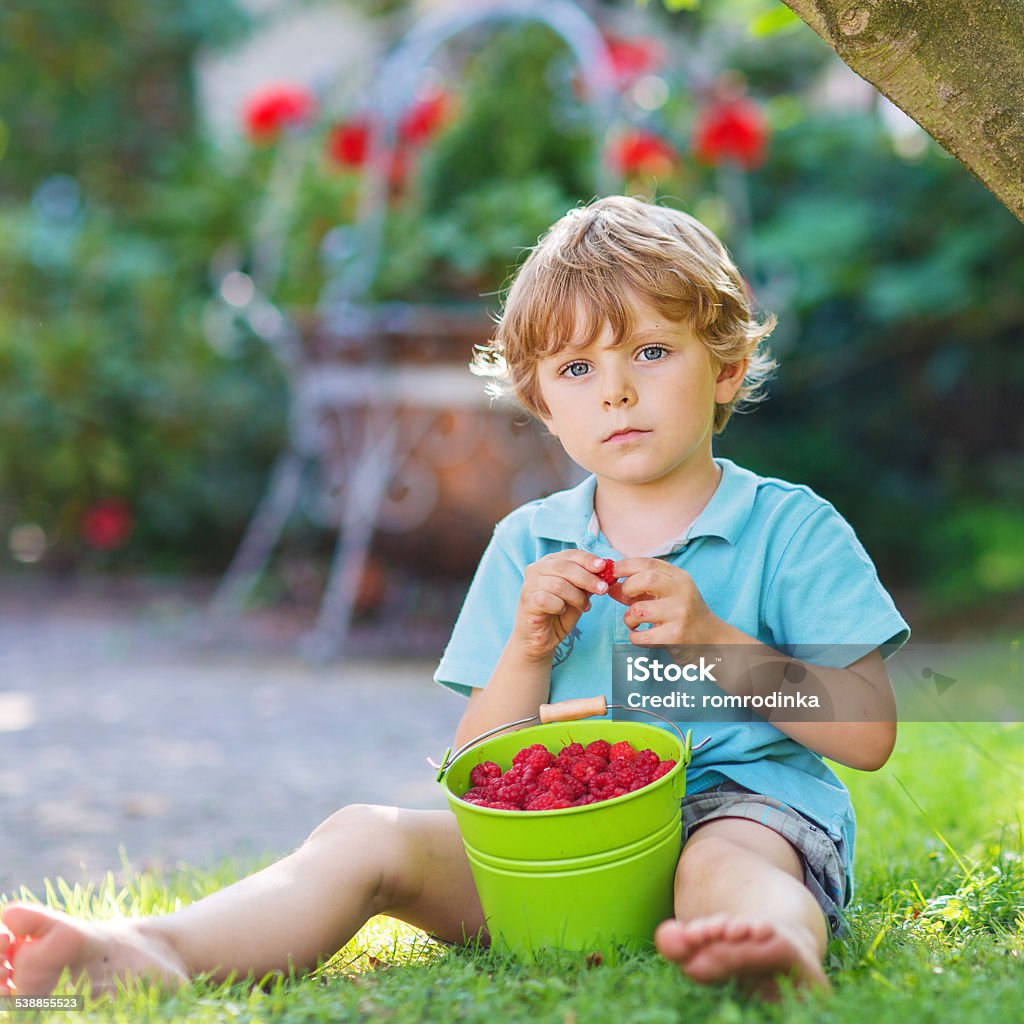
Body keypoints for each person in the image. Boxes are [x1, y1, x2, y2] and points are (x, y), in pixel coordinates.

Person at [0, 196, 909, 1001]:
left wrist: (716, 640)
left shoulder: (790, 530)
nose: (618, 389)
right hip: (559, 847)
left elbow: (867, 732)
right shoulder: (528, 546)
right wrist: (524, 651)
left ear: (723, 369)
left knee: (726, 859)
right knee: (364, 834)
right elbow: (478, 772)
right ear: (542, 404)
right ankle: (150, 950)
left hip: (737, 811)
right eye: (578, 370)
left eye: (653, 350)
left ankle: (769, 947)